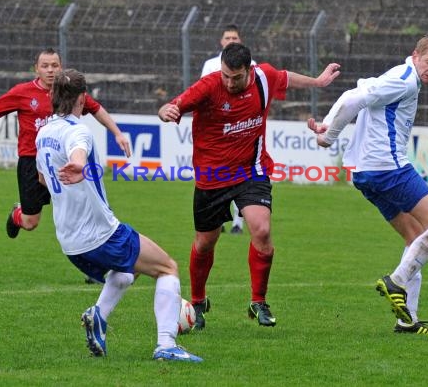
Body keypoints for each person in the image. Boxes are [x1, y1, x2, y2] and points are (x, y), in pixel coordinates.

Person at [158, 42, 340, 329]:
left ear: (249, 71)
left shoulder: (263, 78)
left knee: (262, 230)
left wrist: (317, 81)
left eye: (236, 77)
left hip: (250, 170)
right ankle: (198, 300)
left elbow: (285, 77)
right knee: (205, 243)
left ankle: (258, 302)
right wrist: (166, 111)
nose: (229, 83)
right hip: (212, 176)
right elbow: (173, 105)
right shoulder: (208, 86)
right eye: (225, 76)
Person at [35, 69, 202, 362]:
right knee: (167, 268)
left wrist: (71, 173)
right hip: (100, 233)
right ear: (83, 98)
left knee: (127, 271)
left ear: (52, 96)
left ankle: (98, 315)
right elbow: (78, 153)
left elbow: (40, 178)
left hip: (68, 239)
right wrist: (77, 165)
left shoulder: (44, 133)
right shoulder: (78, 131)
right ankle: (166, 345)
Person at [308, 36, 428, 335]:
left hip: (366, 174)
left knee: (414, 237)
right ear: (415, 55)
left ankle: (407, 321)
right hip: (389, 169)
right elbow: (352, 99)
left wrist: (326, 127)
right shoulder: (406, 81)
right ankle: (396, 282)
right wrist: (329, 137)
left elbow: (355, 93)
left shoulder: (395, 75)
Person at [0, 48, 130, 241]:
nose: (50, 70)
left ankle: (97, 249)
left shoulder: (70, 92)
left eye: (55, 65)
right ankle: (17, 215)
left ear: (61, 67)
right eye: (45, 66)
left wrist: (117, 134)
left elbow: (96, 109)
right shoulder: (22, 92)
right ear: (36, 69)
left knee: (88, 208)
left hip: (64, 161)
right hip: (32, 162)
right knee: (30, 222)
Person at [201, 24, 255, 235]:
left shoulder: (251, 65)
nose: (231, 40)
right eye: (227, 37)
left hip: (241, 132)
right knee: (217, 179)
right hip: (216, 133)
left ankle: (237, 223)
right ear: (221, 41)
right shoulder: (211, 65)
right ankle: (218, 221)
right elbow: (202, 92)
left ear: (239, 41)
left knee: (241, 178)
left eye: (234, 37)